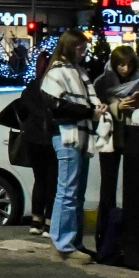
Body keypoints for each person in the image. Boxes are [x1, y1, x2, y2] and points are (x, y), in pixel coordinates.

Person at [41, 30, 107, 261]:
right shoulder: (61, 72)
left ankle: (71, 242)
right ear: (70, 47)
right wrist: (91, 112)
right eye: (80, 47)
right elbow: (57, 107)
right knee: (69, 192)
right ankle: (64, 245)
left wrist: (92, 111)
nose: (84, 51)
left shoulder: (73, 72)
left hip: (75, 135)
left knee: (74, 193)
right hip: (69, 135)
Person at [92, 45, 139, 263]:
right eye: (120, 64)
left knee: (133, 188)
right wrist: (118, 106)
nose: (125, 69)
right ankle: (105, 243)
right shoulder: (103, 81)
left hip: (132, 138)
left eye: (128, 64)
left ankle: (129, 240)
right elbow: (97, 107)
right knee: (107, 190)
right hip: (111, 138)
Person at [13, 51, 58, 237]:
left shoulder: (30, 88)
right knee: (52, 181)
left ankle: (36, 221)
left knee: (39, 180)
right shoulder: (53, 87)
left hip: (32, 139)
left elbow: (22, 111)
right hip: (50, 139)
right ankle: (48, 223)